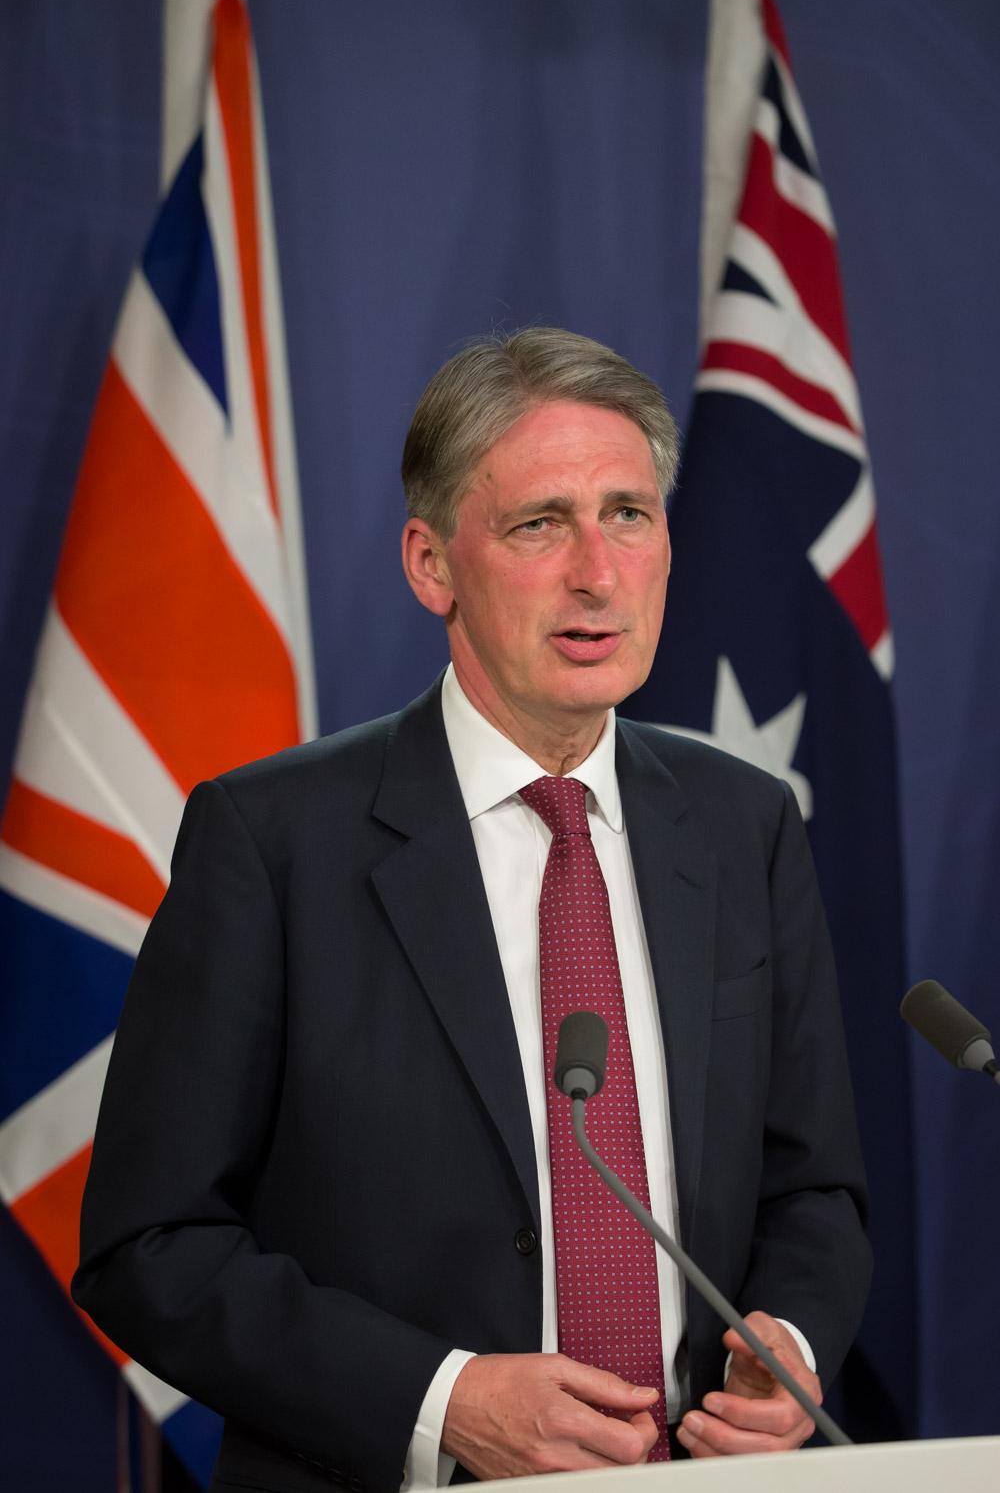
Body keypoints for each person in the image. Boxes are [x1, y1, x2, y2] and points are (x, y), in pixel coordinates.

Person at [73, 327, 871, 1490]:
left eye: (629, 515)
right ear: (431, 563)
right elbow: (150, 1247)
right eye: (539, 524)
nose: (596, 573)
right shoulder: (276, 841)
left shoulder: (744, 825)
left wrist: (786, 1350)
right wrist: (440, 1400)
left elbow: (816, 1189)